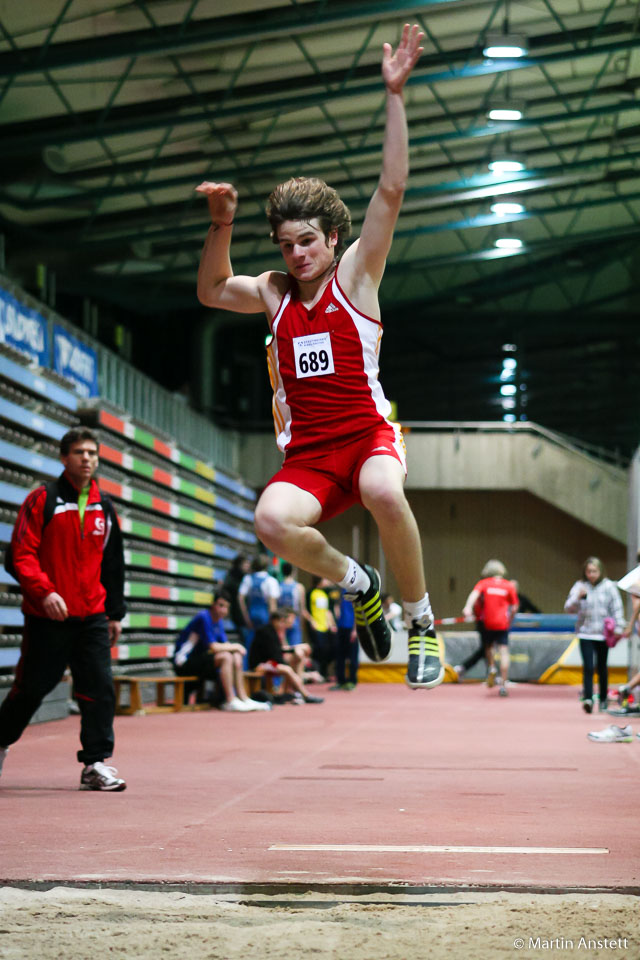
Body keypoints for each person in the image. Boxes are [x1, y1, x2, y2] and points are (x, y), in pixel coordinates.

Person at [195, 23, 442, 691]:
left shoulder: (357, 276)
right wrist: (221, 224)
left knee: (383, 490)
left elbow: (389, 191)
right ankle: (356, 581)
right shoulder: (275, 295)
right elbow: (214, 289)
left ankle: (420, 622)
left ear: (332, 238)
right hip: (309, 455)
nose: (297, 254)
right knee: (270, 521)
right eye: (285, 245)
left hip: (365, 440)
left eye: (308, 241)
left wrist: (394, 95)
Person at [0, 429, 127, 791]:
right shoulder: (43, 499)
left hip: (92, 618)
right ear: (63, 458)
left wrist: (114, 612)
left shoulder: (105, 506)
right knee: (30, 690)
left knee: (99, 688)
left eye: (92, 453)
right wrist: (45, 593)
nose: (86, 458)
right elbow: (19, 555)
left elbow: (113, 563)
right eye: (78, 452)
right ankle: (0, 742)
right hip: (48, 618)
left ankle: (95, 764)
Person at [173, 590, 270, 712]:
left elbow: (225, 644)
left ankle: (243, 697)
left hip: (201, 660)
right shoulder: (204, 617)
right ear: (213, 604)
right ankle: (230, 700)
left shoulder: (218, 621)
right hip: (184, 662)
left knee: (234, 655)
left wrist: (236, 651)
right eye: (220, 605)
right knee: (226, 656)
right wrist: (237, 647)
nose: (223, 610)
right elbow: (214, 647)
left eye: (226, 607)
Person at [564, 556, 625, 714]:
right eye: (589, 571)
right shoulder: (580, 586)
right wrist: (578, 597)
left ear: (600, 571)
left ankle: (603, 698)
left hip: (603, 634)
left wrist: (619, 627)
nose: (591, 574)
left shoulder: (609, 587)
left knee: (602, 667)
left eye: (594, 571)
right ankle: (588, 698)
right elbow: (568, 608)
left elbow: (617, 607)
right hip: (586, 633)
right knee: (588, 667)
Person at [461, 560, 519, 696]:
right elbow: (515, 607)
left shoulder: (484, 583)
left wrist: (467, 607)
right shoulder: (508, 586)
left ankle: (492, 667)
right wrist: (510, 619)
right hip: (503, 623)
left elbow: (474, 595)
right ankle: (504, 684)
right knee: (504, 651)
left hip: (488, 622)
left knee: (489, 647)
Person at [248, 610, 324, 704]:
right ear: (275, 621)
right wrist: (288, 656)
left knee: (296, 659)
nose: (283, 624)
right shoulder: (265, 632)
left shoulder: (275, 631)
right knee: (287, 669)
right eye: (281, 622)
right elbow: (273, 654)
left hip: (269, 662)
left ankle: (287, 692)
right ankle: (305, 695)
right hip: (260, 664)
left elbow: (277, 651)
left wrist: (291, 652)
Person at [237, 554, 281, 657]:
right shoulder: (271, 581)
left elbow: (240, 598)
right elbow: (272, 604)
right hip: (265, 615)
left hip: (252, 614)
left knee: (250, 644)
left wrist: (246, 617)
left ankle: (247, 669)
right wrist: (274, 623)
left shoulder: (248, 579)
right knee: (267, 644)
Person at [307, 576, 337, 680]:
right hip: (316, 626)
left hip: (325, 627)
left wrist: (332, 624)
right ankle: (316, 673)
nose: (326, 581)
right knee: (318, 650)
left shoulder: (325, 594)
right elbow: (306, 610)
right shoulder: (311, 593)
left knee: (328, 650)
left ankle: (324, 673)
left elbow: (327, 611)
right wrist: (312, 621)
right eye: (324, 579)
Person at [331, 590, 358, 690]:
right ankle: (340, 681)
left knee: (352, 657)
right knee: (340, 656)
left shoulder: (355, 590)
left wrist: (355, 629)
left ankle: (352, 681)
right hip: (341, 627)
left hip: (351, 628)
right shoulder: (342, 590)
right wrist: (336, 612)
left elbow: (358, 610)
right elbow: (337, 604)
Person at [223, 553, 251, 635]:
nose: (248, 566)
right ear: (239, 565)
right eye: (245, 564)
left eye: (248, 564)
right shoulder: (232, 578)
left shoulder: (246, 578)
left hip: (244, 613)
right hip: (237, 613)